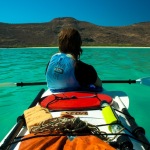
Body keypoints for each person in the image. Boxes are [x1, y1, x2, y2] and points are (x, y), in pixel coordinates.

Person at [46, 28, 102, 92]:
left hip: (52, 97)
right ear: (79, 45)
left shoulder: (50, 63)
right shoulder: (85, 69)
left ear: (60, 45)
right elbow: (99, 84)